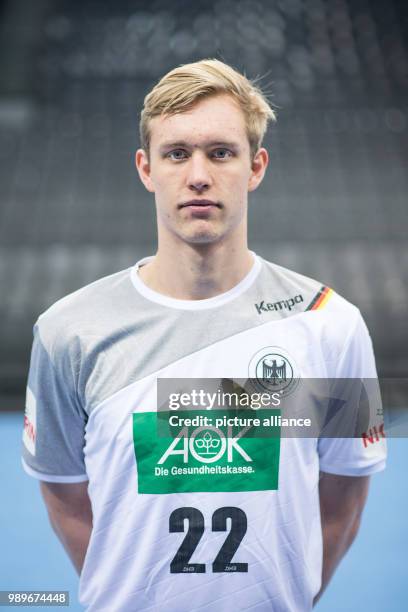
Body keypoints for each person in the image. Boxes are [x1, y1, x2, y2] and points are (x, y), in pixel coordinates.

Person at [22, 59, 386, 611]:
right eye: (176, 154)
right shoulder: (66, 331)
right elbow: (65, 493)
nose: (198, 175)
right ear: (146, 169)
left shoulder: (331, 323)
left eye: (221, 153)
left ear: (256, 166)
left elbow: (344, 498)